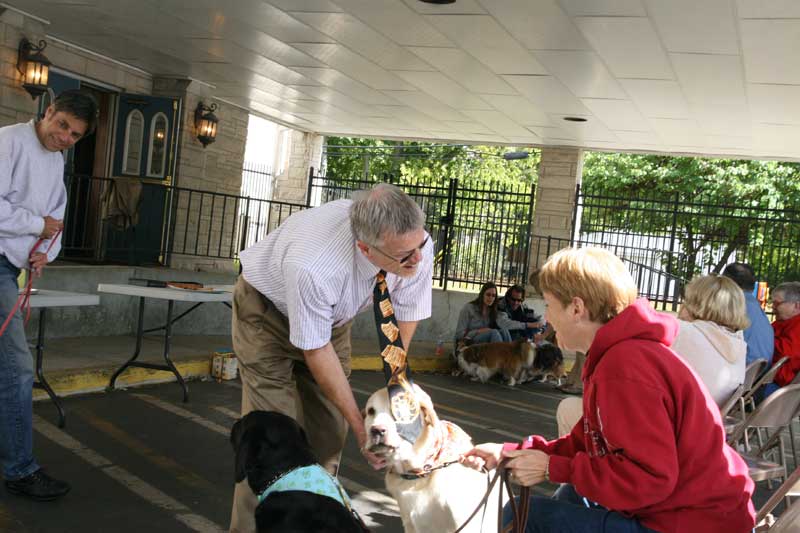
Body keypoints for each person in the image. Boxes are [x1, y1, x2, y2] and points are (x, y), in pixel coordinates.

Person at [461, 247, 755, 533]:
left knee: (523, 516)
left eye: (549, 305)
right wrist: (509, 452)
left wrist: (553, 468)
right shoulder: (618, 355)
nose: (547, 317)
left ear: (576, 308)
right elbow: (585, 444)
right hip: (686, 511)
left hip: (692, 522)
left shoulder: (625, 365)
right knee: (568, 496)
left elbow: (650, 478)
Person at [229, 183, 433, 533]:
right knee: (270, 440)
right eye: (404, 255)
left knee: (328, 433)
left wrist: (397, 399)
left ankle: (317, 522)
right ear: (365, 249)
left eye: (420, 245)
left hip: (333, 317)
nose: (417, 258)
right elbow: (314, 348)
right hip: (267, 314)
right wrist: (360, 425)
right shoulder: (315, 265)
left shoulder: (412, 245)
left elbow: (401, 326)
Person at [0, 89, 97, 501]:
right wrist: (36, 227)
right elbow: (39, 219)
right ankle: (20, 470)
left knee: (9, 368)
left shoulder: (56, 161)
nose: (66, 139)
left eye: (76, 135)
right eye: (63, 127)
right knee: (17, 369)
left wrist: (43, 252)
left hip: (12, 267)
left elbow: (55, 221)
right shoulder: (8, 141)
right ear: (49, 111)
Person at [671, 275, 749, 407]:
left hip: (681, 415)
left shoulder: (685, 332)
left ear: (695, 303)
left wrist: (683, 317)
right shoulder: (738, 340)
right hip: (711, 415)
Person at [722, 262, 774, 366]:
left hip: (743, 371)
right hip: (758, 373)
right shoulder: (755, 306)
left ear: (727, 283)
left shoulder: (734, 306)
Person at [766, 281, 800, 393]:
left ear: (797, 305)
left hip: (783, 389)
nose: (773, 307)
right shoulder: (783, 322)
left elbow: (785, 352)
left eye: (777, 303)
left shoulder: (797, 326)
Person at [453, 282, 511, 346]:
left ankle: (511, 355)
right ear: (482, 294)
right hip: (468, 341)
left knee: (504, 331)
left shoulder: (492, 310)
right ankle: (499, 355)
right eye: (488, 295)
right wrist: (479, 331)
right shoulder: (469, 308)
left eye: (493, 296)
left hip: (484, 342)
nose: (491, 298)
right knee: (494, 333)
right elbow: (459, 334)